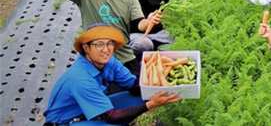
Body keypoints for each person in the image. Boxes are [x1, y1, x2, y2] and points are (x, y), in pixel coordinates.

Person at [43, 23, 181, 126]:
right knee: (116, 121)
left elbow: (134, 87)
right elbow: (111, 117)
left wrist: (160, 75)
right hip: (67, 121)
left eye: (110, 44)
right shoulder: (80, 79)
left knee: (144, 95)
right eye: (99, 45)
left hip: (90, 111)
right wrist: (151, 105)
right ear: (86, 48)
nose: (106, 50)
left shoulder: (109, 61)